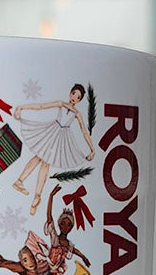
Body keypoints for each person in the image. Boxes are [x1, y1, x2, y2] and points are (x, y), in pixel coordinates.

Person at [12, 85, 95, 214]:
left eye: (78, 97)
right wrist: (21, 107)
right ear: (70, 93)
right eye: (74, 94)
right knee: (39, 157)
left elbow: (84, 132)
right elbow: (41, 106)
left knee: (45, 163)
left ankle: (35, 195)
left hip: (62, 138)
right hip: (52, 131)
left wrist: (92, 149)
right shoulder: (61, 104)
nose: (74, 98)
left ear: (80, 100)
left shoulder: (77, 114)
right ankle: (23, 184)